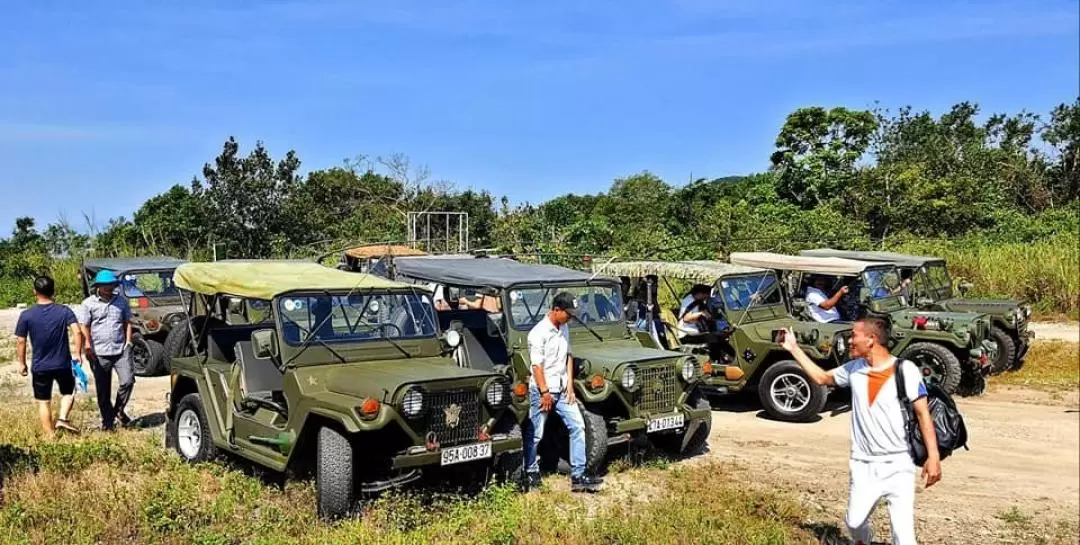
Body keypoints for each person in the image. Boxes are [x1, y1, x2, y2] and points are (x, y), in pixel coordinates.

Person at [778, 317, 942, 545]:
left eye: (854, 335)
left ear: (872, 339)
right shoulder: (854, 369)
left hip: (898, 465)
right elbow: (822, 377)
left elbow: (923, 414)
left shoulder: (905, 370)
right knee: (854, 523)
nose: (850, 340)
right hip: (863, 464)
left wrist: (933, 457)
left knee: (904, 537)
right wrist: (793, 348)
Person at [522, 292, 602, 493]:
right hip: (543, 390)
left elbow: (568, 356)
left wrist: (570, 385)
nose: (571, 317)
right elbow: (536, 366)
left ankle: (578, 475)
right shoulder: (538, 333)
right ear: (556, 310)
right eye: (568, 313)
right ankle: (530, 473)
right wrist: (545, 392)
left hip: (562, 389)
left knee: (578, 426)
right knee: (536, 434)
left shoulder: (564, 327)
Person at [15, 276, 85, 437]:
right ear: (53, 291)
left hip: (40, 366)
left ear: (34, 292)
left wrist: (21, 363)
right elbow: (77, 331)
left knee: (43, 401)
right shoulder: (64, 311)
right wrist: (77, 353)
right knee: (69, 392)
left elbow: (20, 340)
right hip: (62, 363)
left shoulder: (26, 315)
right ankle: (62, 418)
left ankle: (50, 437)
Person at [79, 270, 135, 430]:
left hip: (120, 349)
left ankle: (118, 410)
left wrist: (129, 341)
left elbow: (127, 322)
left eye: (111, 285)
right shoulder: (88, 304)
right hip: (98, 352)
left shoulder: (121, 302)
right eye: (105, 286)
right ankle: (107, 422)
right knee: (103, 389)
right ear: (98, 286)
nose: (108, 288)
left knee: (128, 380)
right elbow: (84, 326)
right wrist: (88, 345)